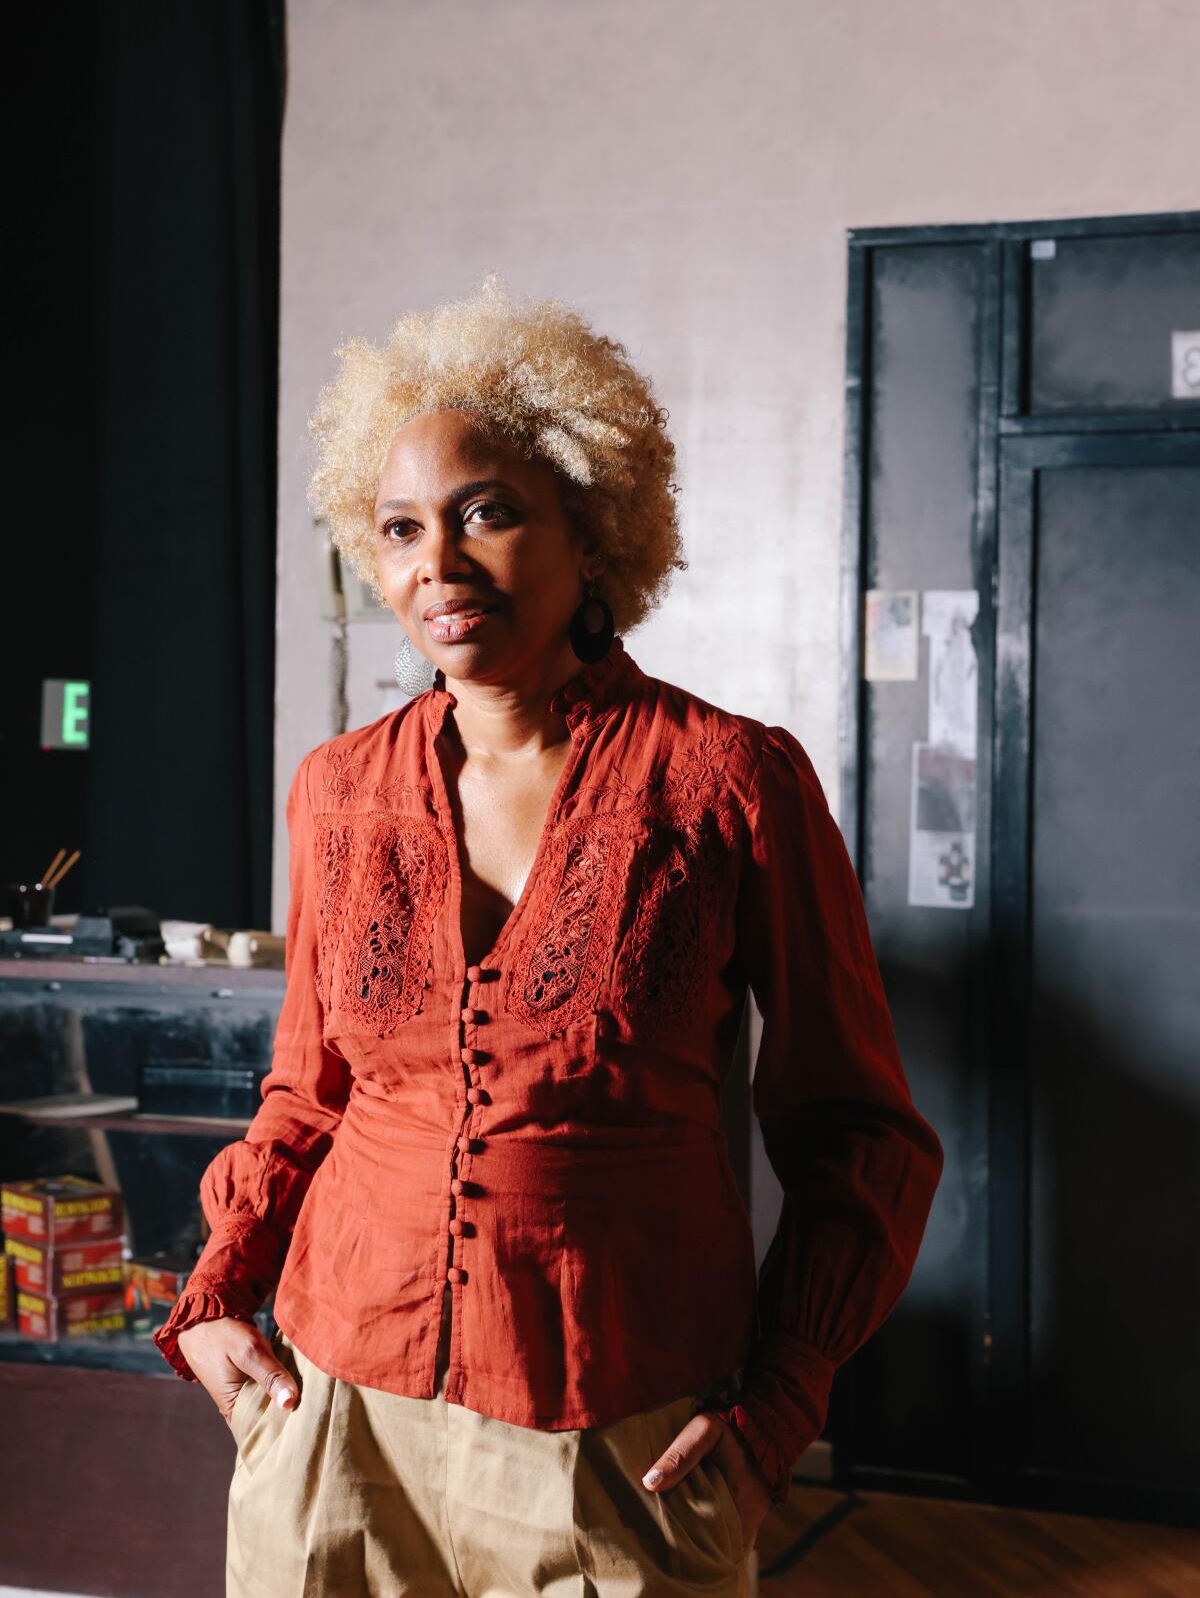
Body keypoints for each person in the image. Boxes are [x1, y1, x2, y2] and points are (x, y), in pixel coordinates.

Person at [152, 272, 944, 1596]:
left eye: (490, 514)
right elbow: (305, 1094)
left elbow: (859, 1131)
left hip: (620, 1440)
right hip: (332, 1415)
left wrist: (778, 1412)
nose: (439, 568)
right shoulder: (338, 790)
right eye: (401, 529)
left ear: (594, 529)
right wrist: (219, 1291)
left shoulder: (728, 781)